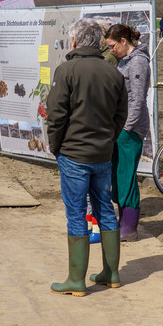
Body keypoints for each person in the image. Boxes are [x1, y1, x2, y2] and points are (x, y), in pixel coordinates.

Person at [45, 18, 127, 296]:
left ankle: (76, 279)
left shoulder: (67, 70)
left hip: (74, 153)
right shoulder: (114, 73)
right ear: (100, 42)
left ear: (75, 42)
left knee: (76, 213)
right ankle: (112, 273)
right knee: (105, 209)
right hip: (102, 153)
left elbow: (56, 116)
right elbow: (120, 115)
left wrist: (56, 147)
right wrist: (108, 140)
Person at [104, 23, 151, 241]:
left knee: (126, 177)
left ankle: (129, 228)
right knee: (118, 175)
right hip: (121, 127)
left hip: (130, 129)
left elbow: (138, 99)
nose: (111, 50)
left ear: (124, 41)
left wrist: (126, 127)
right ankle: (123, 221)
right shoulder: (126, 60)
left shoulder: (139, 62)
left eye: (113, 46)